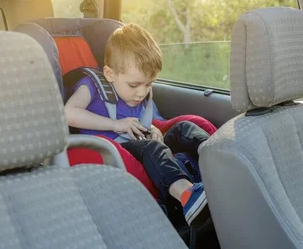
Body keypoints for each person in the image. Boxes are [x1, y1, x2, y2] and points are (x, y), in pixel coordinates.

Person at [64, 23, 209, 226]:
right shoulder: (92, 86)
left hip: (141, 141)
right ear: (110, 73)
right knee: (153, 148)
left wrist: (155, 129)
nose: (141, 92)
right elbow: (68, 113)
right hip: (113, 147)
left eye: (148, 84)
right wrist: (114, 124)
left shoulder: (137, 94)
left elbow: (147, 119)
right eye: (134, 85)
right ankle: (186, 195)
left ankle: (221, 162)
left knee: (185, 129)